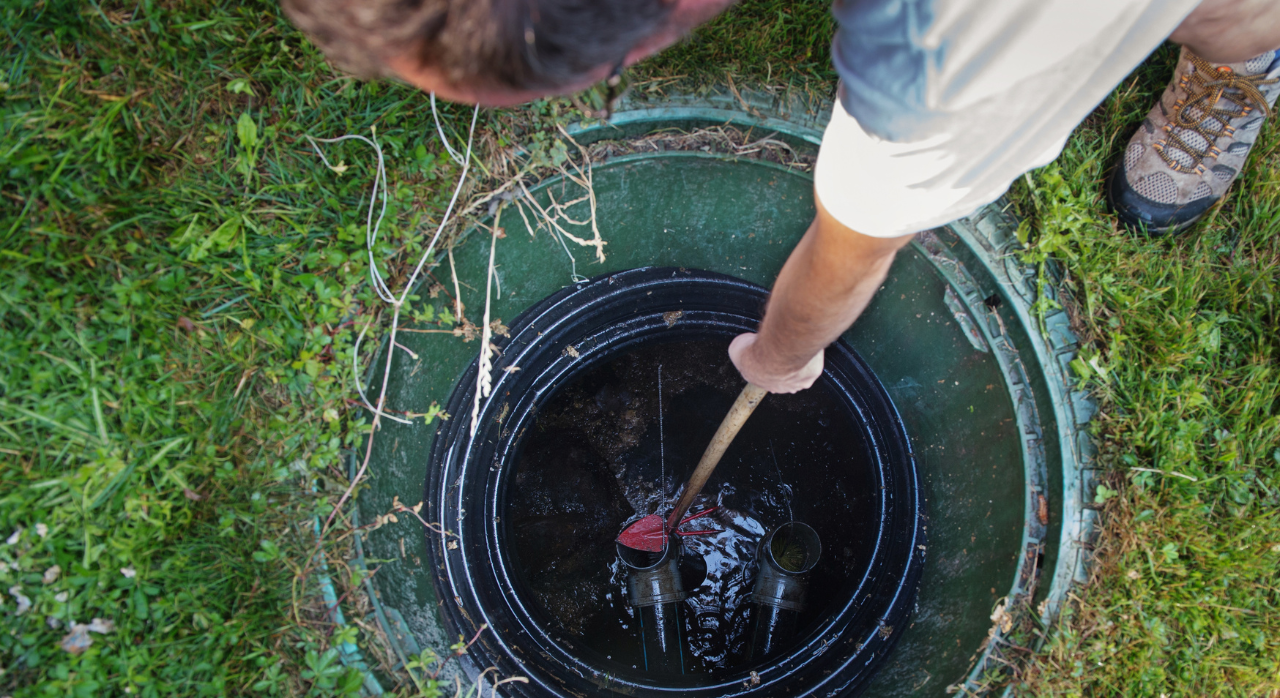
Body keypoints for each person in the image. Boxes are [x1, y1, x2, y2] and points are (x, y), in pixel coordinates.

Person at [281, 0, 1280, 394]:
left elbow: (852, 252)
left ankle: (1244, 53)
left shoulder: (936, 58)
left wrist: (777, 358)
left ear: (654, 35)